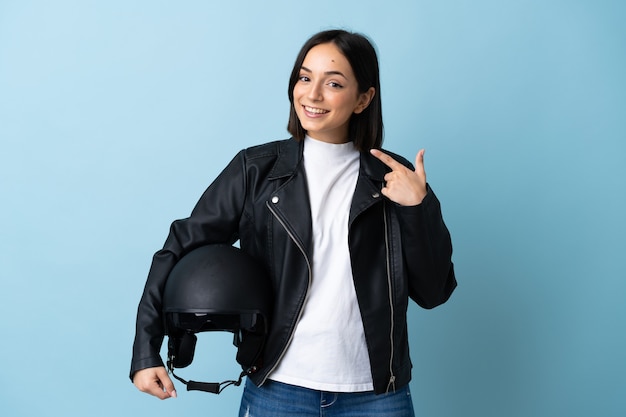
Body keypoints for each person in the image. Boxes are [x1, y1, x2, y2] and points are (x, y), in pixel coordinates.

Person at [130, 29, 456, 416]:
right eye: (305, 77)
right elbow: (179, 246)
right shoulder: (256, 170)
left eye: (333, 83)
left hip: (377, 396)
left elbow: (434, 292)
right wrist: (145, 350)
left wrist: (417, 207)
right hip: (279, 389)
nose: (312, 94)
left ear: (363, 99)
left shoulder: (395, 178)